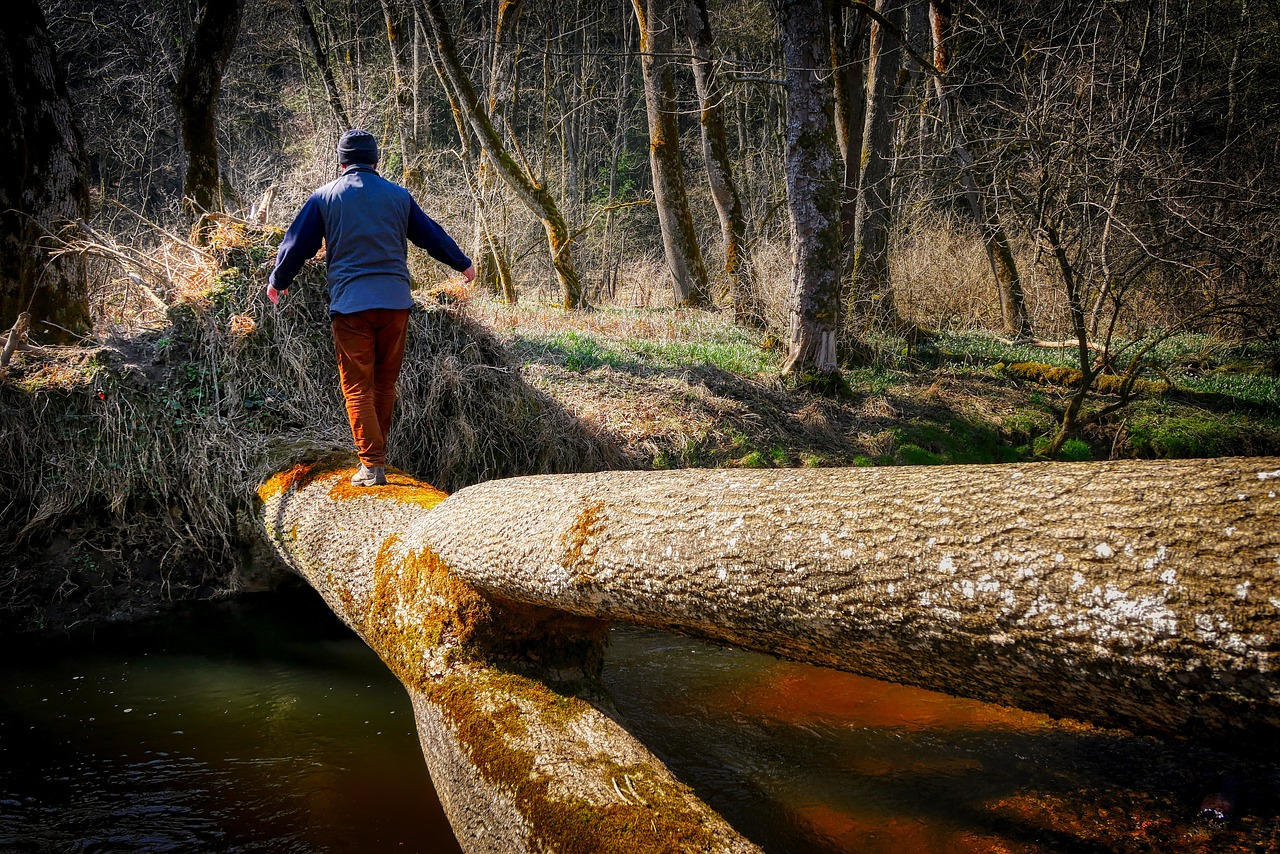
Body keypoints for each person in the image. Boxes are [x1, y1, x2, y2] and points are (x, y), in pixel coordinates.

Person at [267, 129, 475, 487]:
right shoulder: (399, 196)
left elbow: (296, 244)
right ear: (376, 160)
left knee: (358, 388)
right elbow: (431, 235)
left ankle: (371, 465)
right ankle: (376, 459)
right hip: (395, 305)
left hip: (351, 307)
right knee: (384, 384)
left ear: (342, 161)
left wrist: (278, 280)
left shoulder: (324, 197)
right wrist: (462, 263)